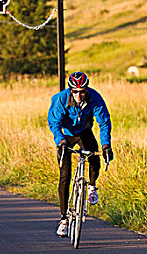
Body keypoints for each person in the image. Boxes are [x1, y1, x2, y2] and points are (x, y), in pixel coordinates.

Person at [47, 71, 114, 237]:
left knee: (95, 158)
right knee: (65, 175)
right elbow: (54, 123)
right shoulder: (61, 99)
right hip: (66, 134)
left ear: (87, 89)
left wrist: (106, 145)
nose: (79, 94)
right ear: (70, 90)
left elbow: (104, 122)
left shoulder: (94, 97)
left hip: (84, 131)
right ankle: (64, 220)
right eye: (75, 91)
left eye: (82, 91)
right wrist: (60, 141)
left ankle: (91, 186)